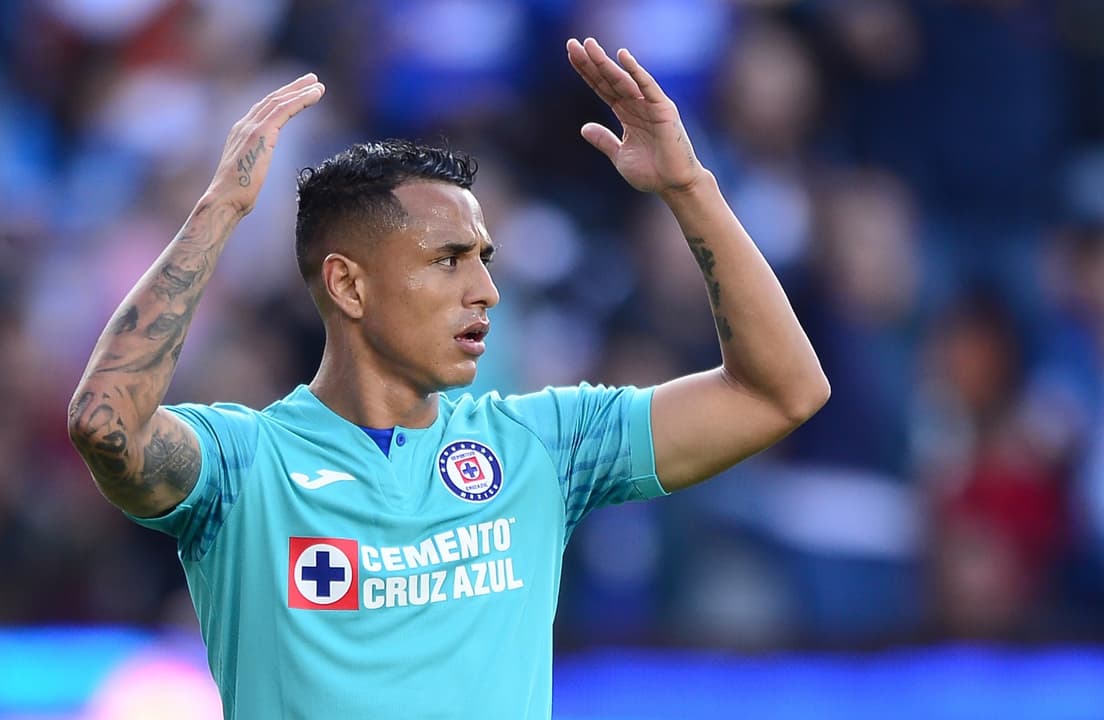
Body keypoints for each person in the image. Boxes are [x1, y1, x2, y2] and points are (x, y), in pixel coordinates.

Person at [68, 38, 829, 719]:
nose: (486, 291)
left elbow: (780, 392)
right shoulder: (245, 466)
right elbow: (106, 424)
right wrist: (219, 212)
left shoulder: (542, 446)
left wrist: (689, 188)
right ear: (349, 285)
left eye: (484, 259)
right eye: (448, 260)